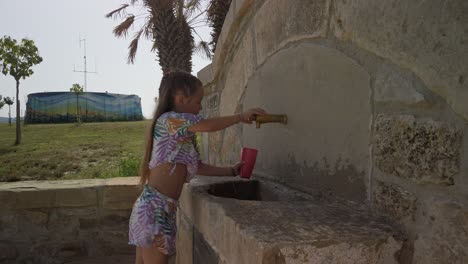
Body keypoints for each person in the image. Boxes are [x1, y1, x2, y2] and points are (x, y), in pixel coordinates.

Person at [128, 71, 266, 264]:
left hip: (158, 208)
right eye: (198, 102)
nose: (200, 108)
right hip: (154, 210)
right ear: (181, 99)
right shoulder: (169, 121)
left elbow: (196, 166)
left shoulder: (180, 135)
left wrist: (230, 171)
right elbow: (207, 126)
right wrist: (240, 117)